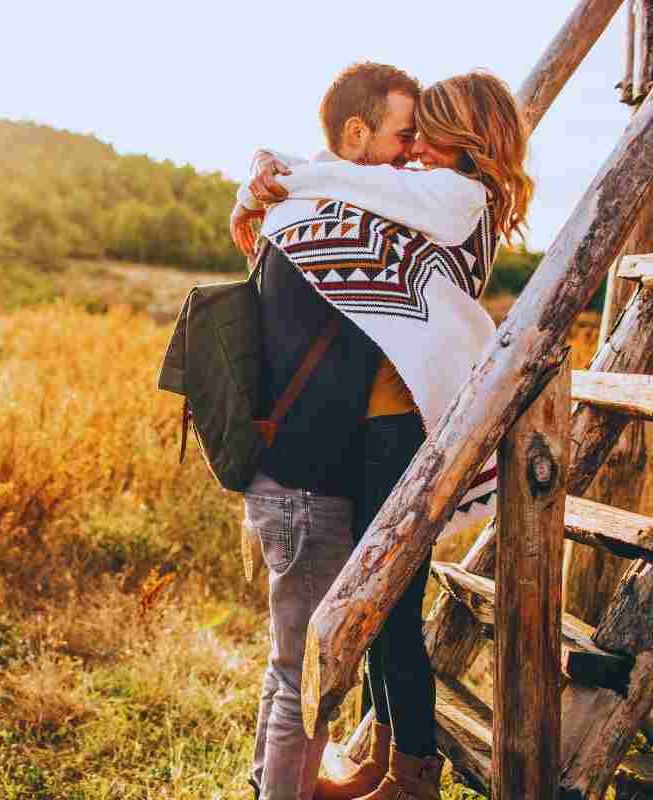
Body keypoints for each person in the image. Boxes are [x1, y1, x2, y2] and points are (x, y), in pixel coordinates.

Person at [239, 70, 534, 800]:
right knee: (376, 605)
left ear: (465, 138)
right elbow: (359, 196)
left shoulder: (456, 197)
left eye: (429, 133)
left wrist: (283, 177)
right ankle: (378, 760)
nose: (416, 149)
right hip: (384, 426)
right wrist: (263, 184)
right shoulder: (435, 198)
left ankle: (411, 775)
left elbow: (363, 187)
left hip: (400, 428)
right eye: (413, 131)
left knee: (390, 609)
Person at [236, 61, 421, 800]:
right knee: (308, 678)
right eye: (403, 136)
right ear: (356, 132)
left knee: (289, 665)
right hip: (309, 489)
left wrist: (259, 177)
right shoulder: (337, 223)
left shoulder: (300, 207)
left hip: (284, 479)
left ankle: (269, 783)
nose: (412, 153)